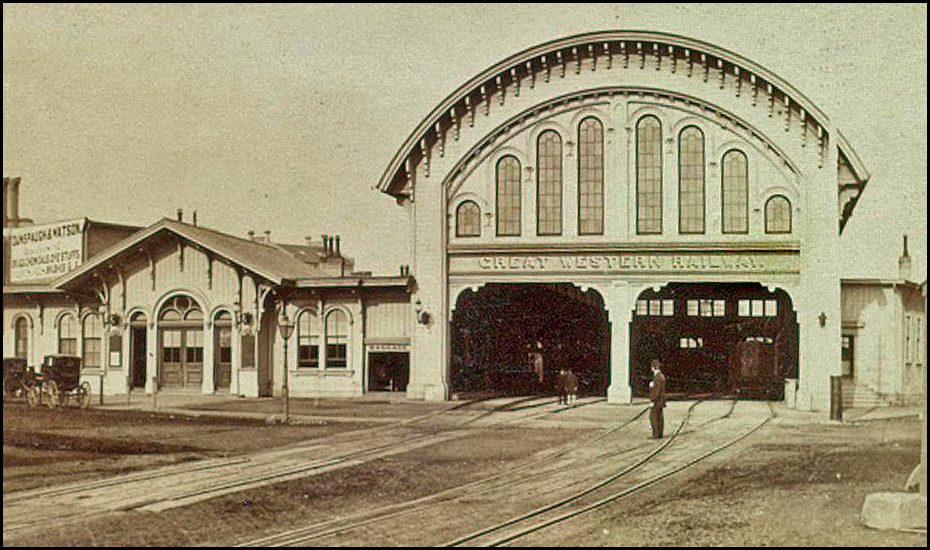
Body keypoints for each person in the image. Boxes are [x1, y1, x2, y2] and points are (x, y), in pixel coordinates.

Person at [648, 359, 667, 439]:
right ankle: (660, 433)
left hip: (657, 401)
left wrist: (652, 400)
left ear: (653, 367)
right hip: (661, 400)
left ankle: (655, 434)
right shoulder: (661, 376)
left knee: (653, 417)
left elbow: (657, 390)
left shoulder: (657, 377)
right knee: (659, 417)